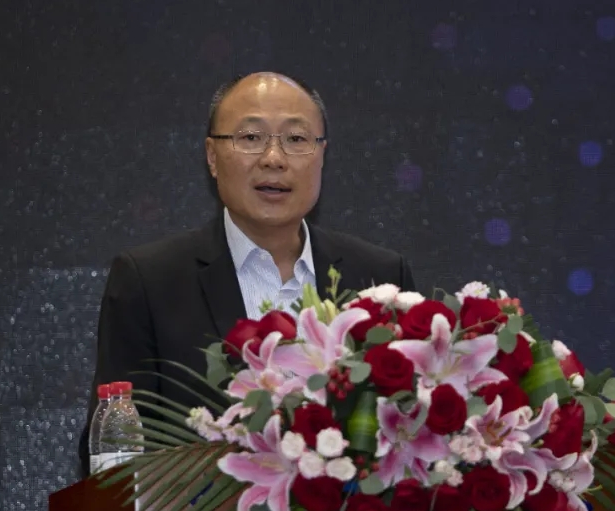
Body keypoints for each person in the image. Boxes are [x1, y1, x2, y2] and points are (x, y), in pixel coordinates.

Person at [77, 72, 417, 475]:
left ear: (322, 155)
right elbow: (115, 457)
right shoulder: (150, 282)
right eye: (251, 137)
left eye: (296, 139)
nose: (274, 158)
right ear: (211, 156)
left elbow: (413, 428)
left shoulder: (379, 278)